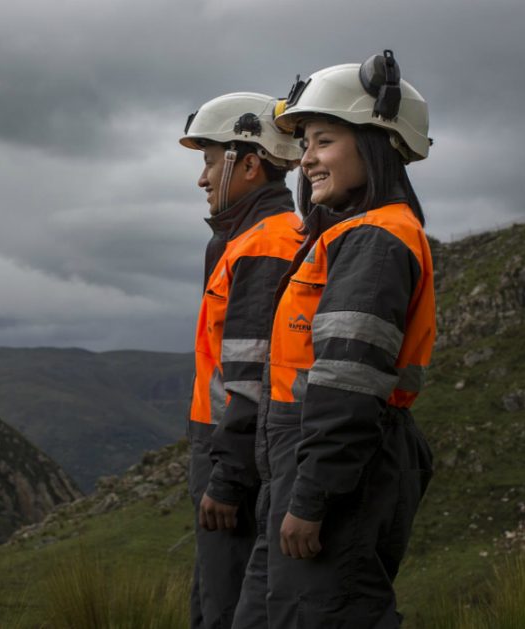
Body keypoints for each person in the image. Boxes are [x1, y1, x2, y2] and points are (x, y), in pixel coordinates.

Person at [242, 50, 436, 628]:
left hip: (336, 471)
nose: (306, 160)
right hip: (307, 462)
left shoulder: (376, 239)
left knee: (327, 615)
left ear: (375, 144)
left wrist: (313, 497)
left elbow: (347, 383)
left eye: (323, 142)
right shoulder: (346, 234)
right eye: (305, 145)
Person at [179, 92, 304, 629]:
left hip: (236, 454)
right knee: (213, 600)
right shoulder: (247, 240)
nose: (202, 179)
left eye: (210, 162)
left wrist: (228, 478)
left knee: (226, 609)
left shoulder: (266, 244)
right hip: (228, 447)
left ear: (249, 164)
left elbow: (251, 376)